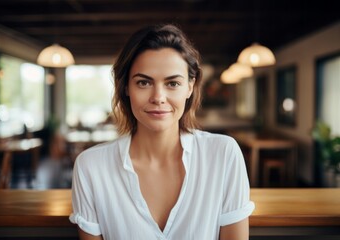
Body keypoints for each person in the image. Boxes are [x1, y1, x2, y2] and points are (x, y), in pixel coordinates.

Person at [69, 24, 255, 240]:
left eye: (173, 83)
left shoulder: (224, 154)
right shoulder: (90, 167)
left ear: (190, 87)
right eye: (144, 82)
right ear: (126, 87)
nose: (158, 97)